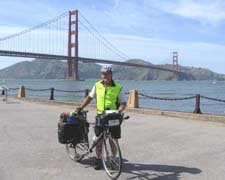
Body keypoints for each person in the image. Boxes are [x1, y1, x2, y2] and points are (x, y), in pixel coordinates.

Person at [77, 65, 126, 170]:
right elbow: (90, 97)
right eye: (103, 74)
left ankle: (113, 159)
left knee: (113, 140)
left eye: (108, 74)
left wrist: (119, 111)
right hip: (100, 116)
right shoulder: (97, 85)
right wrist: (80, 107)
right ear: (101, 75)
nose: (105, 76)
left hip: (112, 117)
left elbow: (123, 103)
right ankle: (98, 159)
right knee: (99, 140)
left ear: (111, 75)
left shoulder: (118, 87)